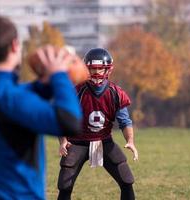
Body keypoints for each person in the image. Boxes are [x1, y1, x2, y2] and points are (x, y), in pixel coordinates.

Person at [0, 16, 82, 200]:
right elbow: (70, 122)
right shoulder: (12, 99)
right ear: (15, 46)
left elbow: (18, 98)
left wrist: (44, 84)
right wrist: (60, 76)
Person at [57, 48, 139, 200]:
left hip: (104, 140)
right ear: (86, 69)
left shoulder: (115, 93)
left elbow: (124, 121)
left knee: (127, 181)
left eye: (100, 68)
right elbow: (62, 119)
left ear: (108, 69)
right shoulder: (76, 92)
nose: (96, 72)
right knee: (64, 185)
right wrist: (63, 141)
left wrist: (130, 141)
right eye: (92, 69)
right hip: (78, 142)